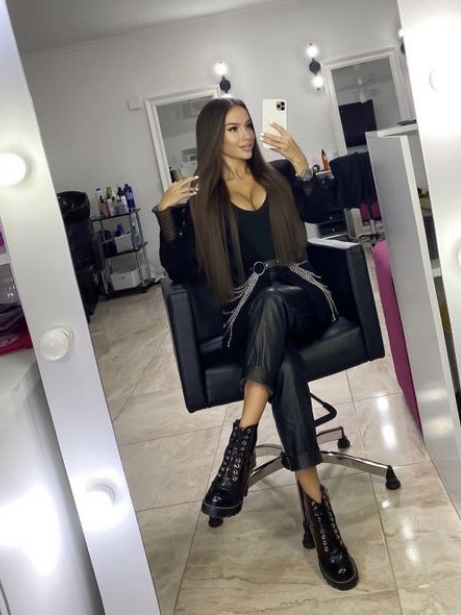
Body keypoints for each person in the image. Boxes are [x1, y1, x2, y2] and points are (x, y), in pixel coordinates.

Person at [153, 97, 358, 591]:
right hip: (250, 312)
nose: (246, 135)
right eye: (233, 129)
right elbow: (183, 270)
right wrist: (165, 215)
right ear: (213, 138)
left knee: (274, 303)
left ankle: (240, 446)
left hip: (304, 297)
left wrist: (303, 163)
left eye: (247, 126)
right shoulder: (201, 199)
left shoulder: (277, 176)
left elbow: (324, 210)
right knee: (280, 363)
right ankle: (319, 515)